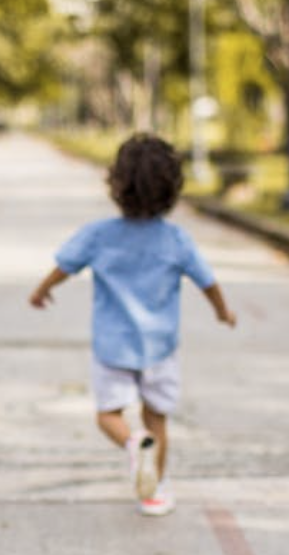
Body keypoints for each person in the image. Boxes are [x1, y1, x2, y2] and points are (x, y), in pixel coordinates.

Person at [29, 133, 237, 516]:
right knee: (156, 417)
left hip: (113, 347)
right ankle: (155, 492)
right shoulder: (176, 239)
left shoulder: (98, 235)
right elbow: (208, 282)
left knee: (108, 414)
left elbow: (64, 268)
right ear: (173, 189)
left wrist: (41, 291)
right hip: (160, 347)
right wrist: (223, 312)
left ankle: (130, 442)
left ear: (115, 184)